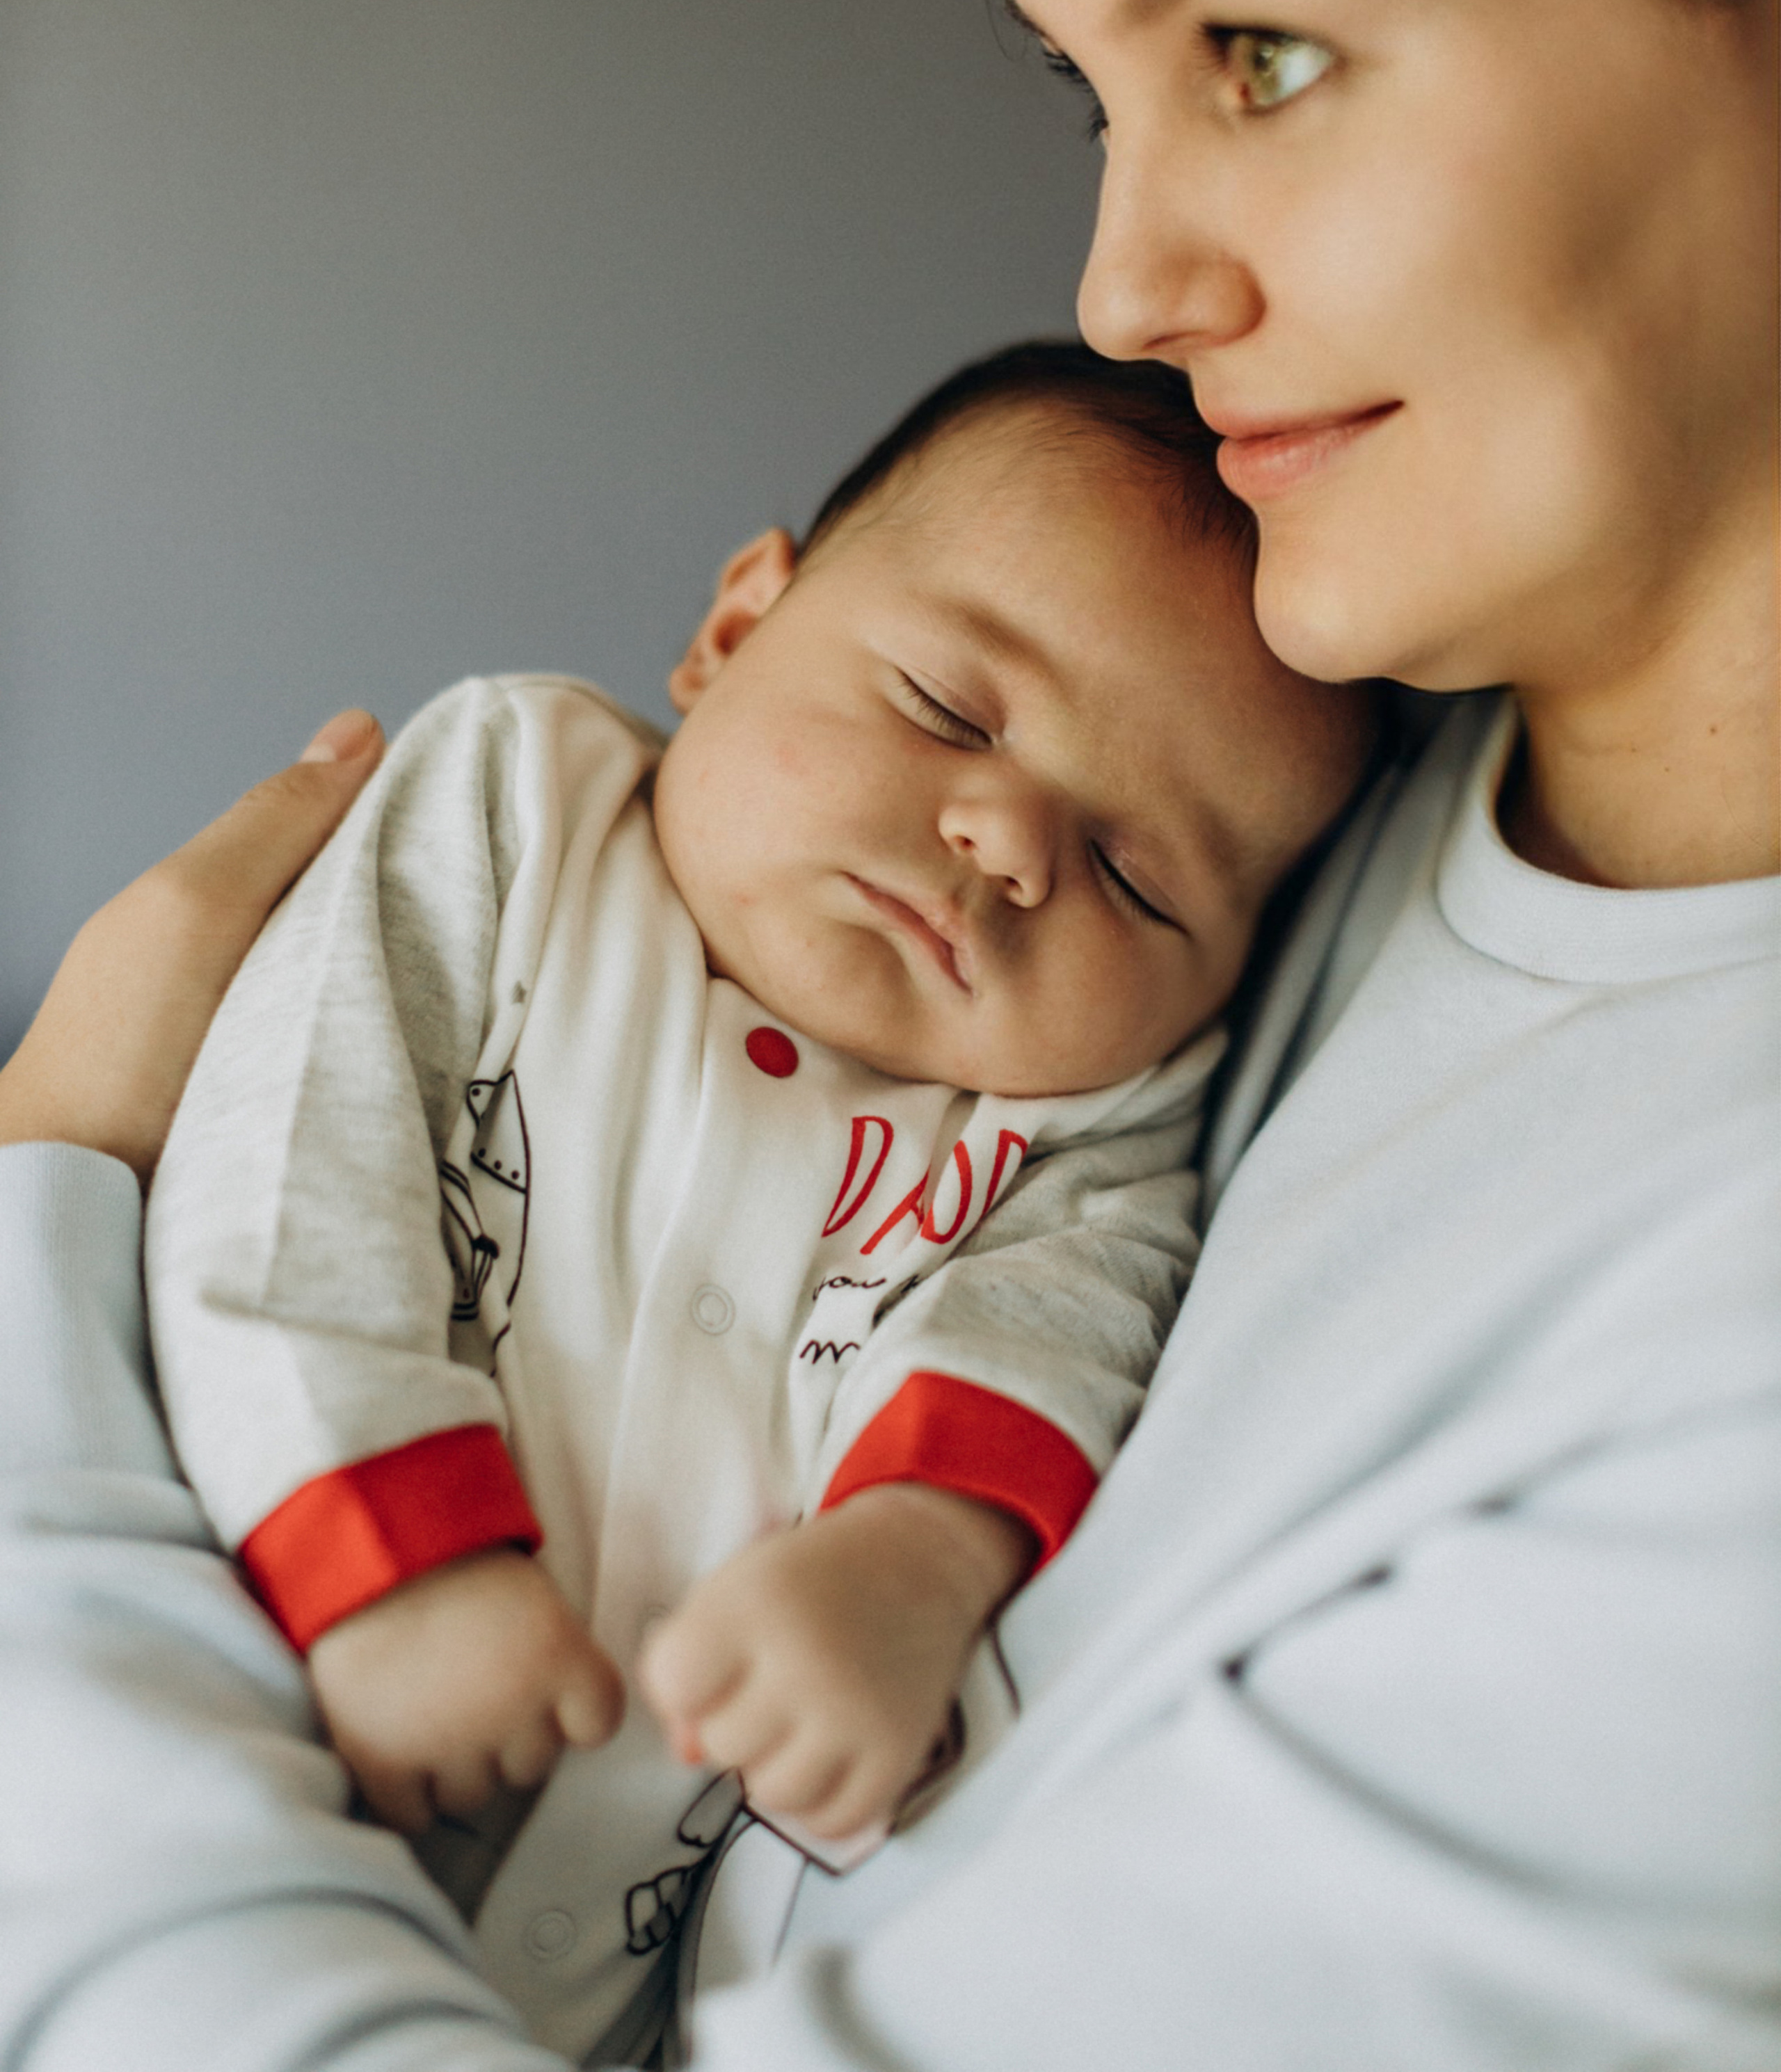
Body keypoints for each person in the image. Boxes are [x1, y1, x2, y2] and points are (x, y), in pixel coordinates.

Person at [1, 0, 1775, 2066]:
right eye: (1098, 86)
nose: (1131, 282)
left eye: (1265, 51)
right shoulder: (1354, 795)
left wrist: (38, 1247)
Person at [142, 343, 1371, 2065]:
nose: (1009, 842)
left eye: (1133, 872)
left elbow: (1056, 1340)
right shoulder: (518, 809)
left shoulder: (1077, 1131)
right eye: (950, 709)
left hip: (619, 1984)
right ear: (733, 634)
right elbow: (291, 1155)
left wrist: (906, 1566)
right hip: (230, 1736)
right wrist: (384, 1556)